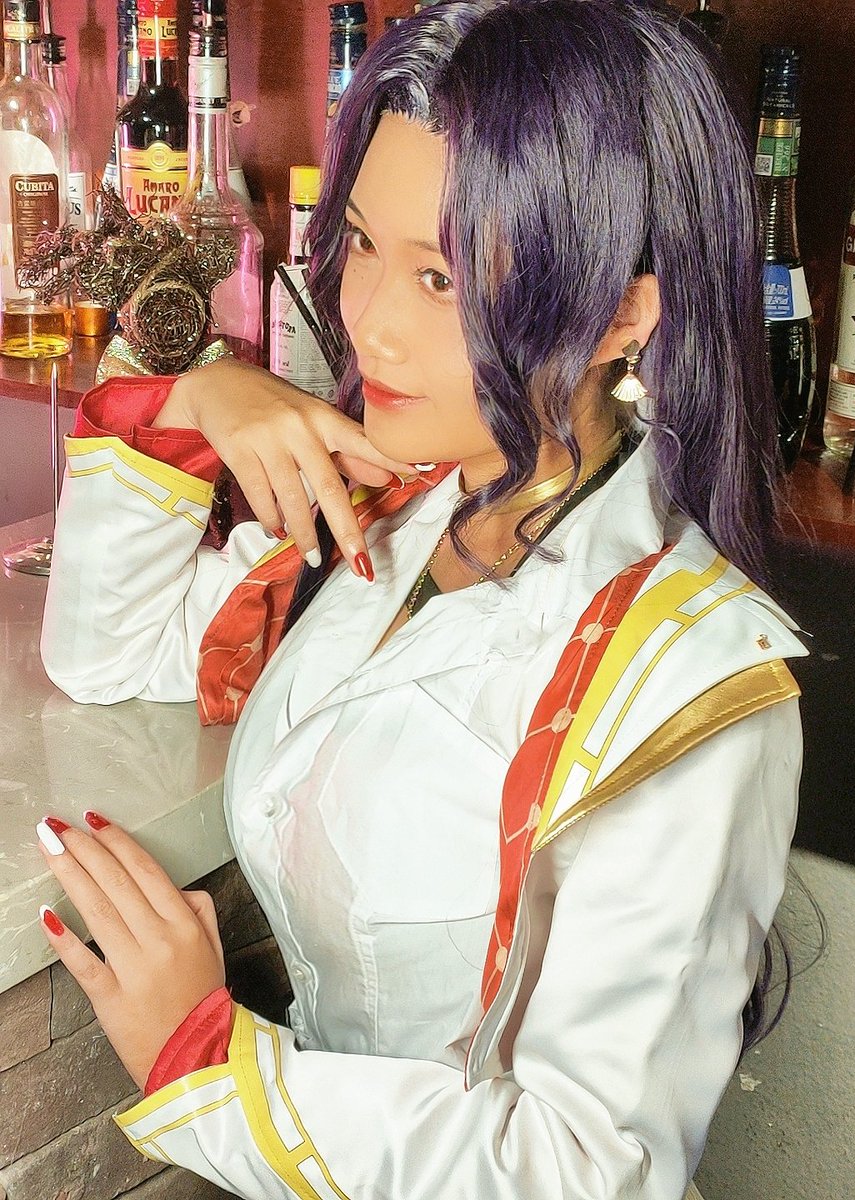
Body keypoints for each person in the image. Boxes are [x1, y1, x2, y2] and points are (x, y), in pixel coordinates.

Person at [36, 2, 807, 1197]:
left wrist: (211, 1066)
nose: (372, 324)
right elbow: (110, 653)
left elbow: (585, 1168)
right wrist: (198, 400)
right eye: (360, 245)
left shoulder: (681, 683)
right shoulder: (399, 502)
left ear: (621, 315)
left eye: (442, 276)